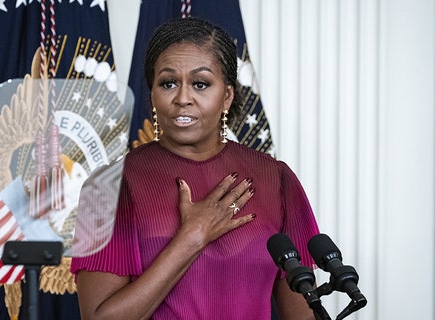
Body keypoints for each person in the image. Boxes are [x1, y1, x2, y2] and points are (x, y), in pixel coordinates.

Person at [70, 17, 320, 320]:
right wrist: (193, 237)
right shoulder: (108, 187)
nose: (182, 98)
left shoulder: (276, 180)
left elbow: (303, 315)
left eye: (200, 84)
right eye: (168, 83)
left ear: (226, 96)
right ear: (152, 95)